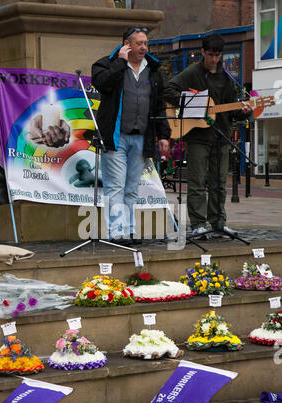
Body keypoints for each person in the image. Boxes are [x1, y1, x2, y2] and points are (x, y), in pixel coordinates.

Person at [164, 33, 252, 239]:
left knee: (219, 182)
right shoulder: (192, 72)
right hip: (197, 136)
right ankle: (198, 224)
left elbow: (232, 110)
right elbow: (168, 89)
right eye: (211, 55)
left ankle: (218, 222)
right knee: (196, 181)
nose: (214, 59)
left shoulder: (227, 78)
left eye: (218, 55)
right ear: (203, 52)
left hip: (221, 136)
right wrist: (192, 103)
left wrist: (244, 111)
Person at [91, 26, 171, 246]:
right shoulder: (105, 64)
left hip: (141, 137)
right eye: (139, 43)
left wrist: (163, 134)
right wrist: (120, 62)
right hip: (116, 136)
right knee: (115, 185)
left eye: (145, 43)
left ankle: (129, 231)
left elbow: (159, 106)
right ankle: (116, 232)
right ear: (127, 44)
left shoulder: (153, 71)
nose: (144, 47)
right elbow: (102, 84)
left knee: (132, 188)